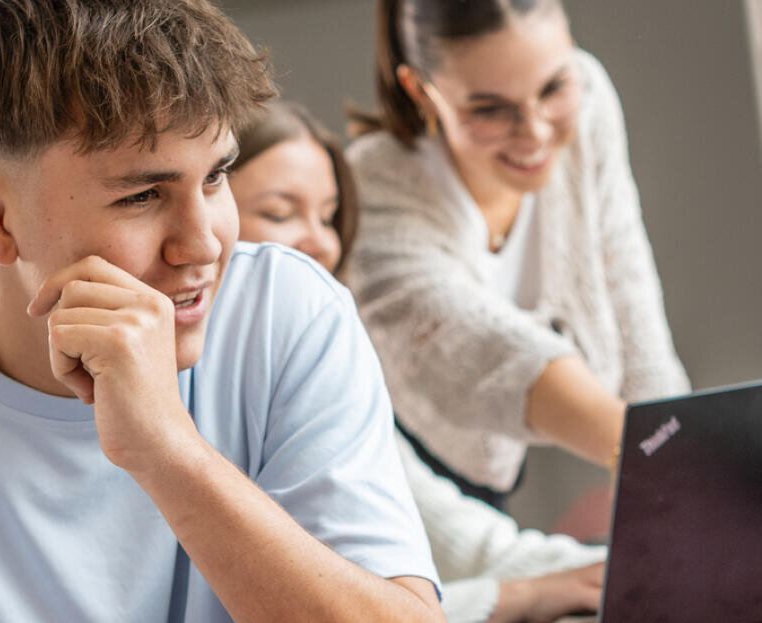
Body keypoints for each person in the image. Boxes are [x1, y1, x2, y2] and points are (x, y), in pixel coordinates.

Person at [0, 1, 443, 621]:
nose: (203, 243)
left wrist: (168, 452)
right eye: (143, 195)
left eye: (216, 176)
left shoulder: (286, 310)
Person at [233, 101, 606, 623]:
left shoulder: (320, 379)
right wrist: (516, 597)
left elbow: (463, 544)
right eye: (279, 213)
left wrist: (623, 564)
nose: (322, 243)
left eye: (328, 216)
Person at [344, 0, 692, 508]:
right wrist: (674, 459)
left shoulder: (589, 98)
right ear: (421, 91)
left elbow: (627, 284)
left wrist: (687, 444)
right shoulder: (372, 190)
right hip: (414, 464)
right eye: (489, 109)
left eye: (553, 87)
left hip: (549, 428)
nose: (535, 131)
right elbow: (488, 353)